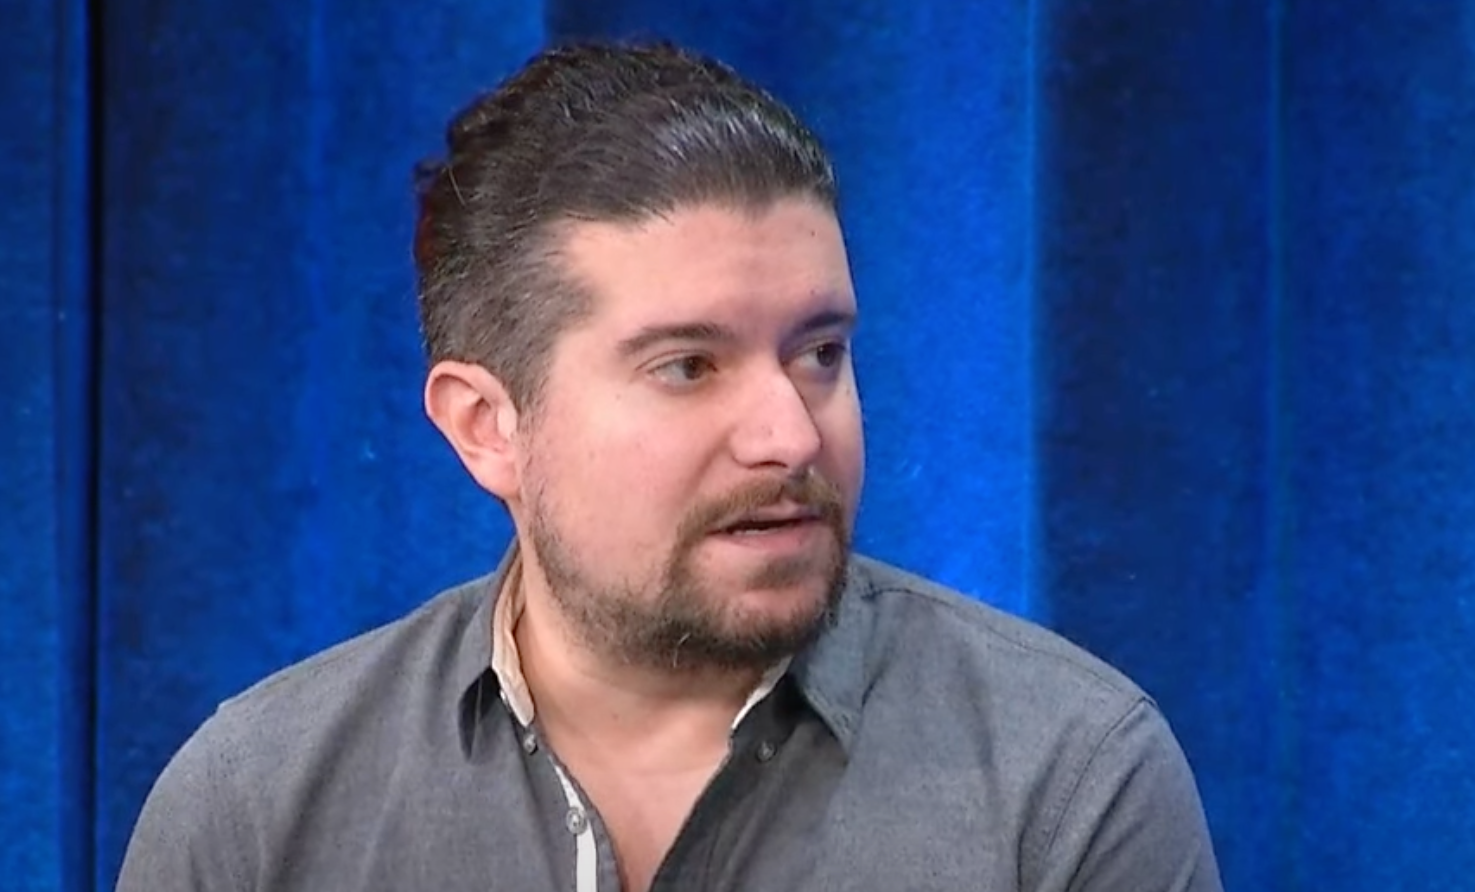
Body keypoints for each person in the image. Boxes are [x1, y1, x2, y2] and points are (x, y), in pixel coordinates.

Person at [116, 40, 1223, 892]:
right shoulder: (257, 811)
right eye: (689, 366)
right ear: (486, 426)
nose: (790, 434)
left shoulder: (1067, 780)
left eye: (821, 353)